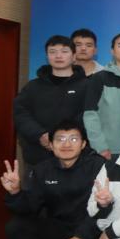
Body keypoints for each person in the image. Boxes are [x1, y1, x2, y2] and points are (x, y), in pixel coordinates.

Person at [2, 120, 106, 239]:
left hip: (93, 231)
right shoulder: (43, 170)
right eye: (60, 139)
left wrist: (80, 237)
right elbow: (29, 208)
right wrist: (16, 192)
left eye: (73, 139)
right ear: (50, 145)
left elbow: (106, 209)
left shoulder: (98, 166)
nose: (66, 144)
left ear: (83, 144)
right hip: (60, 229)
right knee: (16, 227)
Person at [13, 35, 89, 174]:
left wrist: (63, 137)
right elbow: (21, 114)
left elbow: (89, 114)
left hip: (76, 156)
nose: (58, 56)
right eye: (52, 52)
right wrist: (40, 135)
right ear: (47, 56)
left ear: (74, 56)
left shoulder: (88, 86)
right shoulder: (32, 86)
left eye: (64, 51)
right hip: (38, 156)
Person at [85, 32, 120, 160]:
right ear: (112, 51)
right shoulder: (99, 78)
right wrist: (100, 146)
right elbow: (90, 114)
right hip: (108, 150)